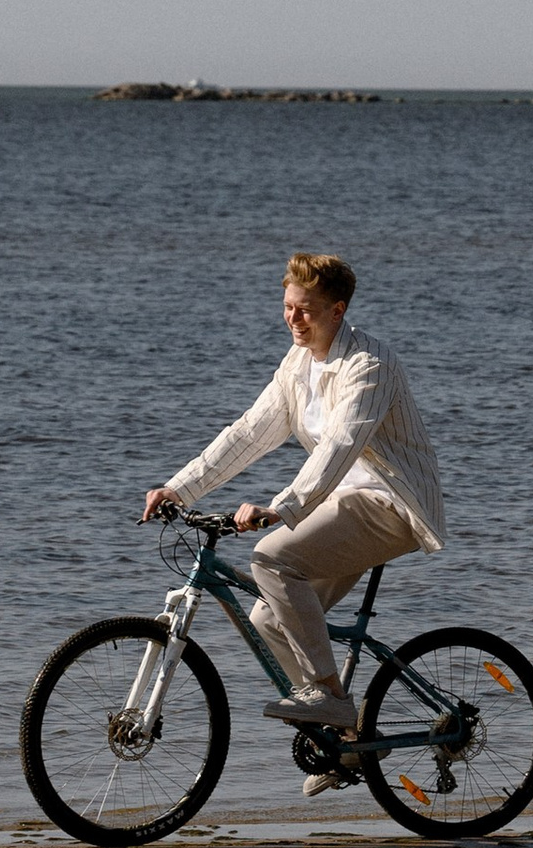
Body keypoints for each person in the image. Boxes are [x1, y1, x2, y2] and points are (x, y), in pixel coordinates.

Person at [142, 254, 446, 783]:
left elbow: (340, 445)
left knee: (273, 558)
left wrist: (280, 509)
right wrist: (180, 487)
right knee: (266, 618)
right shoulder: (297, 365)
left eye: (305, 311)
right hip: (338, 504)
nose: (293, 319)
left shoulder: (368, 364)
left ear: (337, 309)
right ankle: (350, 745)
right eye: (287, 308)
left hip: (390, 502)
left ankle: (327, 696)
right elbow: (249, 432)